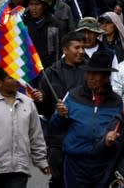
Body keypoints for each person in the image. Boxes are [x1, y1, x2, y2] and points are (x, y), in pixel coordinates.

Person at [50, 51, 122, 188]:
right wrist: (59, 115)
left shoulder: (117, 102)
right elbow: (54, 128)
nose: (90, 77)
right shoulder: (72, 95)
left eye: (96, 74)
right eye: (89, 73)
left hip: (103, 164)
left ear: (106, 77)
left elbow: (121, 134)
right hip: (75, 163)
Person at [0, 67, 50, 188]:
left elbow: (36, 135)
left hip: (19, 170)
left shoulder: (28, 103)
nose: (16, 81)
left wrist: (41, 161)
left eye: (17, 77)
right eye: (11, 78)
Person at [36, 32, 86, 188]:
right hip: (58, 140)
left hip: (83, 138)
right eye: (76, 47)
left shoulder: (90, 72)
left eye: (83, 48)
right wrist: (39, 100)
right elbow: (42, 110)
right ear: (65, 50)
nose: (81, 51)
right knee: (59, 181)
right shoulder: (50, 73)